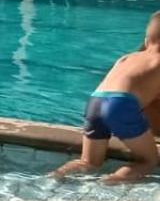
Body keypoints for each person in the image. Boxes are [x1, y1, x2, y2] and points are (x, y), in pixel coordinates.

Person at [54, 13, 160, 182]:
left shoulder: (126, 58)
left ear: (147, 40)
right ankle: (109, 182)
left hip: (95, 102)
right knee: (148, 161)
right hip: (120, 105)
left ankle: (54, 177)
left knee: (89, 161)